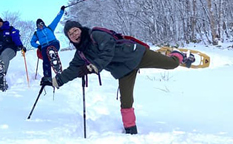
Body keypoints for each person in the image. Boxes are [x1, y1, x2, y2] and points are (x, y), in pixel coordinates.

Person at [53, 20, 194, 134]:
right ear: (69, 39)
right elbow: (72, 70)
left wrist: (93, 67)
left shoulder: (95, 35)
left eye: (75, 30)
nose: (74, 34)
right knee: (126, 101)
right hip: (123, 71)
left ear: (80, 29)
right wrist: (56, 81)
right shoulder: (81, 54)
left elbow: (107, 51)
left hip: (136, 56)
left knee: (171, 64)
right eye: (70, 34)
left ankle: (177, 54)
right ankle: (131, 131)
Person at [30, 6, 65, 85]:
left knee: (50, 48)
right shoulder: (36, 33)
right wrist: (37, 46)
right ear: (37, 26)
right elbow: (32, 42)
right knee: (46, 60)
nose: (40, 26)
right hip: (44, 46)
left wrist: (61, 10)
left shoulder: (49, 28)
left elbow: (57, 19)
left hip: (54, 43)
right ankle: (47, 77)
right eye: (39, 25)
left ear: (44, 23)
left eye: (41, 24)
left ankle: (53, 55)